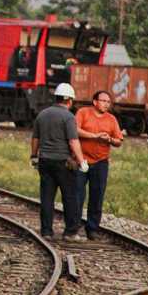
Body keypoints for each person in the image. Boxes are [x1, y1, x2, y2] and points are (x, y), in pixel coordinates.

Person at [30, 82, 88, 240]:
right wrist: (82, 161)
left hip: (45, 161)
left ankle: (46, 232)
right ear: (69, 100)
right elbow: (73, 141)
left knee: (47, 197)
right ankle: (70, 232)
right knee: (69, 197)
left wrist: (34, 156)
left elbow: (35, 138)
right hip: (64, 162)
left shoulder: (42, 114)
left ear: (56, 98)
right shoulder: (68, 117)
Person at [75, 89, 124, 240]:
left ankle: (92, 228)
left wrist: (109, 139)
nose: (106, 104)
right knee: (77, 195)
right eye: (103, 101)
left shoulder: (111, 119)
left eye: (108, 102)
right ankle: (73, 226)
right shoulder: (83, 113)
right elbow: (75, 130)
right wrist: (94, 136)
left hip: (101, 162)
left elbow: (119, 141)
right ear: (95, 102)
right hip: (81, 160)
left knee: (97, 196)